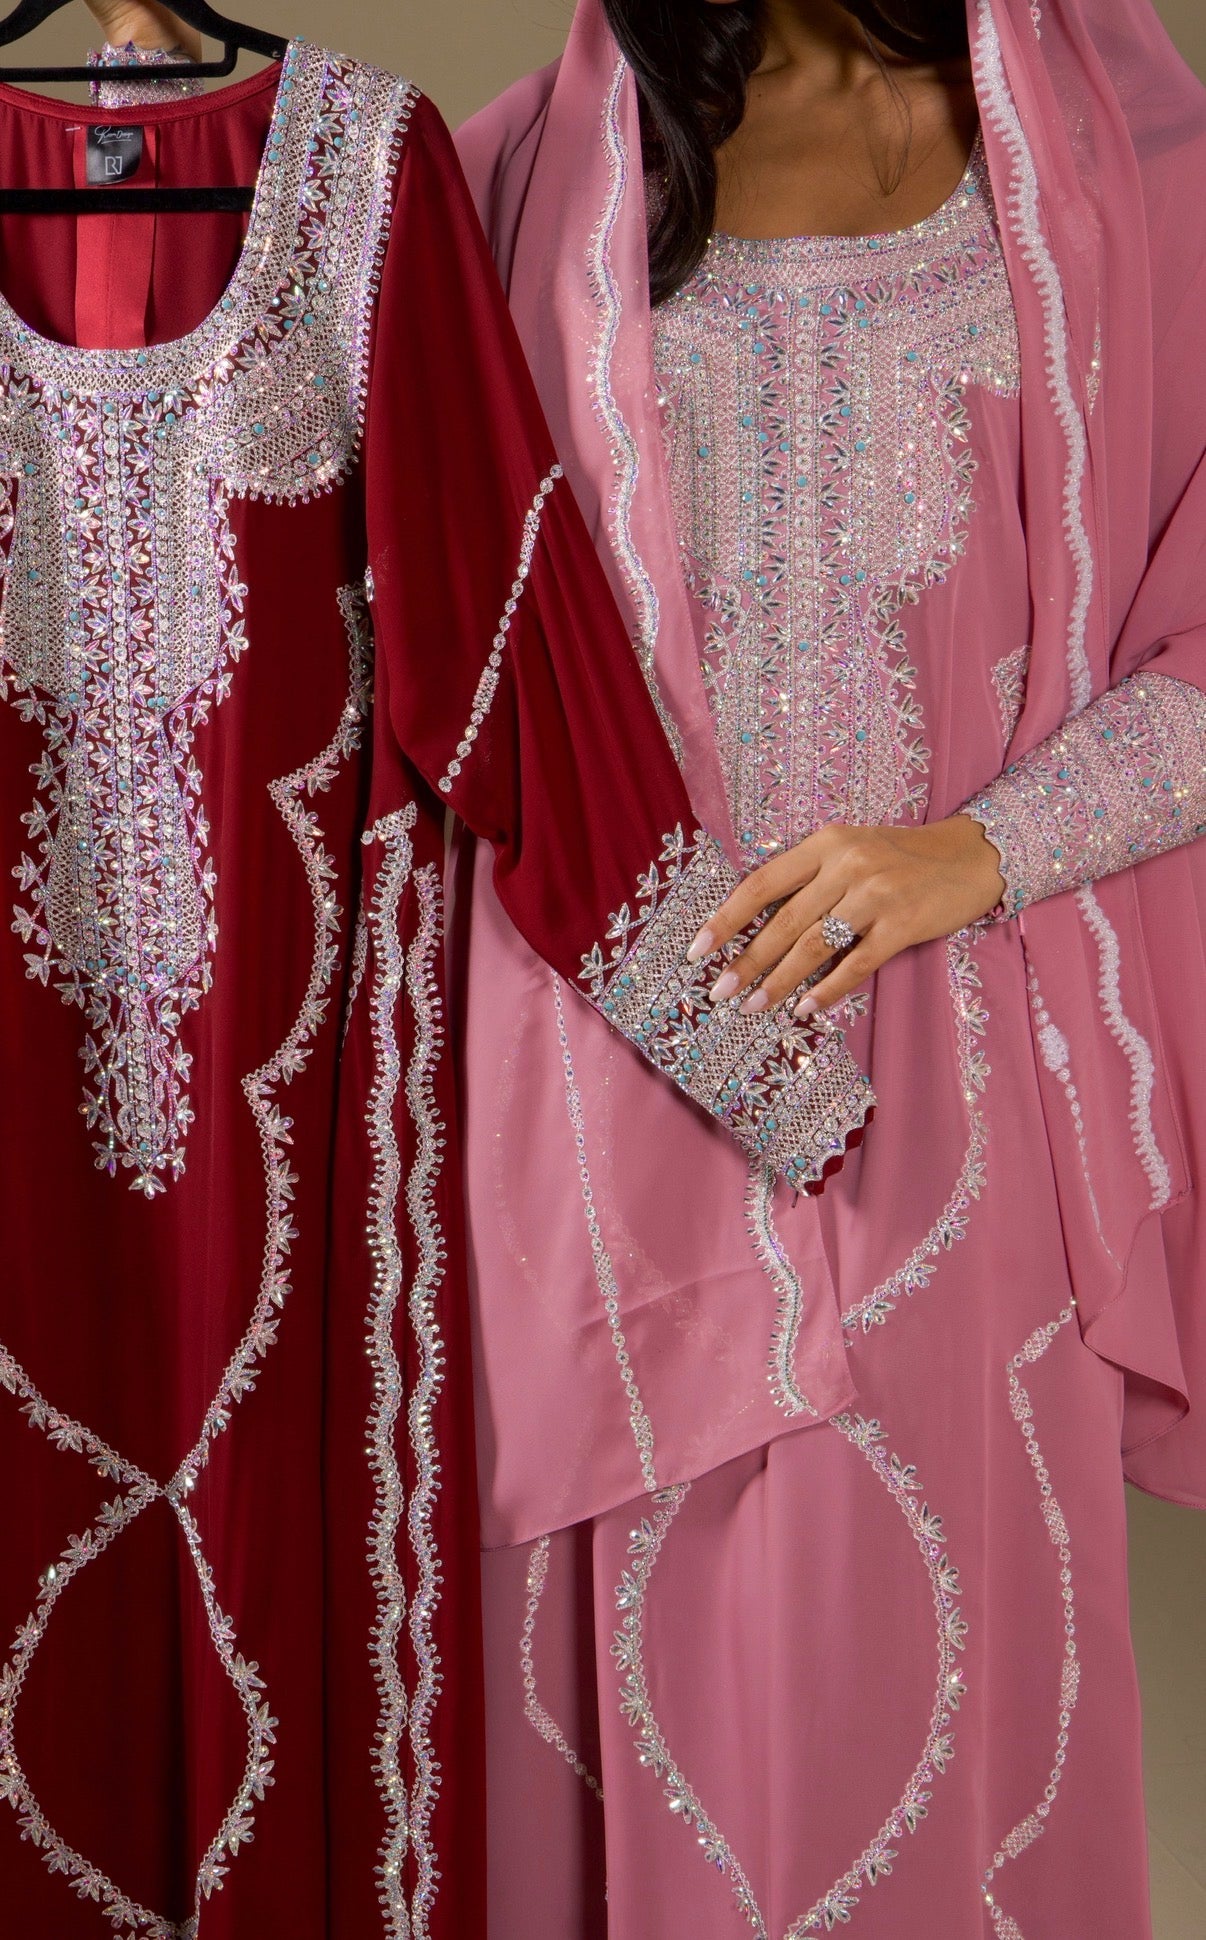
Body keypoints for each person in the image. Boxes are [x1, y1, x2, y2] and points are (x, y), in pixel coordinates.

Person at [82, 3, 1206, 1936]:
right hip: (598, 1108)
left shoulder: (1114, 157)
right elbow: (327, 552)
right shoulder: (520, 177)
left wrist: (973, 853)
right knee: (609, 1753)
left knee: (910, 1739)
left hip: (957, 1116)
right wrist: (146, 139)